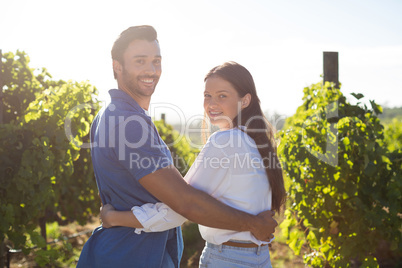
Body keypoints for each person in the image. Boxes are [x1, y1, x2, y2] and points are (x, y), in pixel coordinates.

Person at [77, 26, 279, 268]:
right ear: (117, 66)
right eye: (140, 61)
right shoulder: (126, 122)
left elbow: (183, 205)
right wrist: (253, 224)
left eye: (156, 61)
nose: (151, 70)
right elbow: (185, 204)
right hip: (131, 254)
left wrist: (114, 217)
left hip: (141, 252)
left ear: (245, 100)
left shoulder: (113, 115)